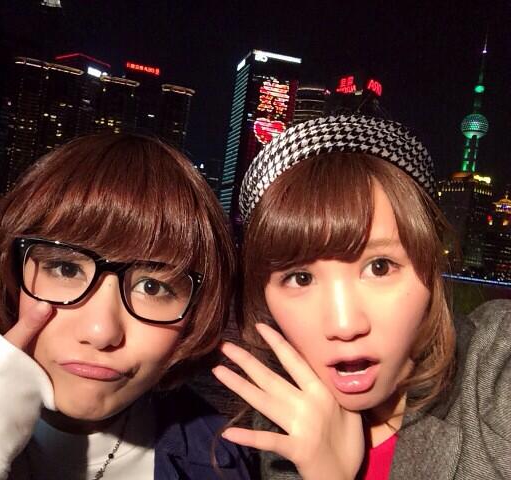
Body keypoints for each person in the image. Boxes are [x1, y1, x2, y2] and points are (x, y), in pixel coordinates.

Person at [0, 133, 250, 479]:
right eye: (66, 269)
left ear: (198, 313)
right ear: (10, 271)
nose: (101, 332)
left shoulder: (221, 464)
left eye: (153, 287)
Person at [212, 115, 511, 479]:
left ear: (431, 264)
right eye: (300, 278)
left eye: (380, 267)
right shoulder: (276, 424)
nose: (345, 325)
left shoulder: (494, 372)